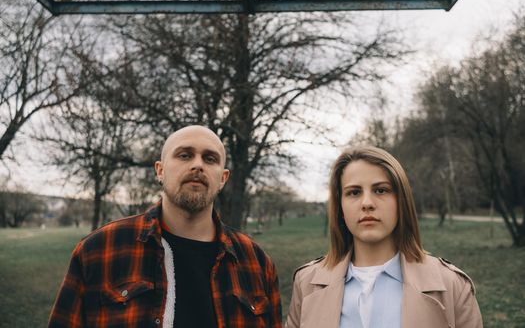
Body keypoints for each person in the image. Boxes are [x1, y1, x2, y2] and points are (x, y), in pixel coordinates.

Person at [49, 125, 282, 328]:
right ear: (160, 170)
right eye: (184, 155)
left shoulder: (257, 263)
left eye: (210, 159)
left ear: (223, 178)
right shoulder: (99, 250)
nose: (197, 165)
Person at [286, 146, 482, 328]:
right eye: (354, 192)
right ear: (340, 208)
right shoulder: (306, 284)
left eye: (381, 190)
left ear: (401, 202)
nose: (367, 203)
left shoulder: (453, 285)